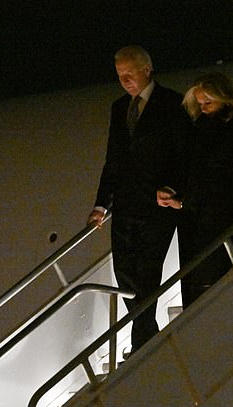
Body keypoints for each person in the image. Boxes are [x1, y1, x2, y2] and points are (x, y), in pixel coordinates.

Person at [87, 45, 192, 355]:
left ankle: (141, 344)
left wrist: (175, 189)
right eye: (121, 76)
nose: (126, 81)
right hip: (126, 203)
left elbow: (184, 153)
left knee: (147, 273)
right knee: (125, 275)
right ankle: (150, 333)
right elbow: (113, 159)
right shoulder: (119, 108)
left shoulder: (173, 104)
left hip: (158, 206)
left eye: (130, 74)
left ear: (147, 70)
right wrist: (100, 204)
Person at [157, 72, 233, 308]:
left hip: (232, 214)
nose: (203, 109)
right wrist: (181, 201)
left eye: (208, 103)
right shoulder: (198, 129)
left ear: (223, 98)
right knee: (207, 283)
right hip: (204, 220)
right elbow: (197, 175)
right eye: (200, 104)